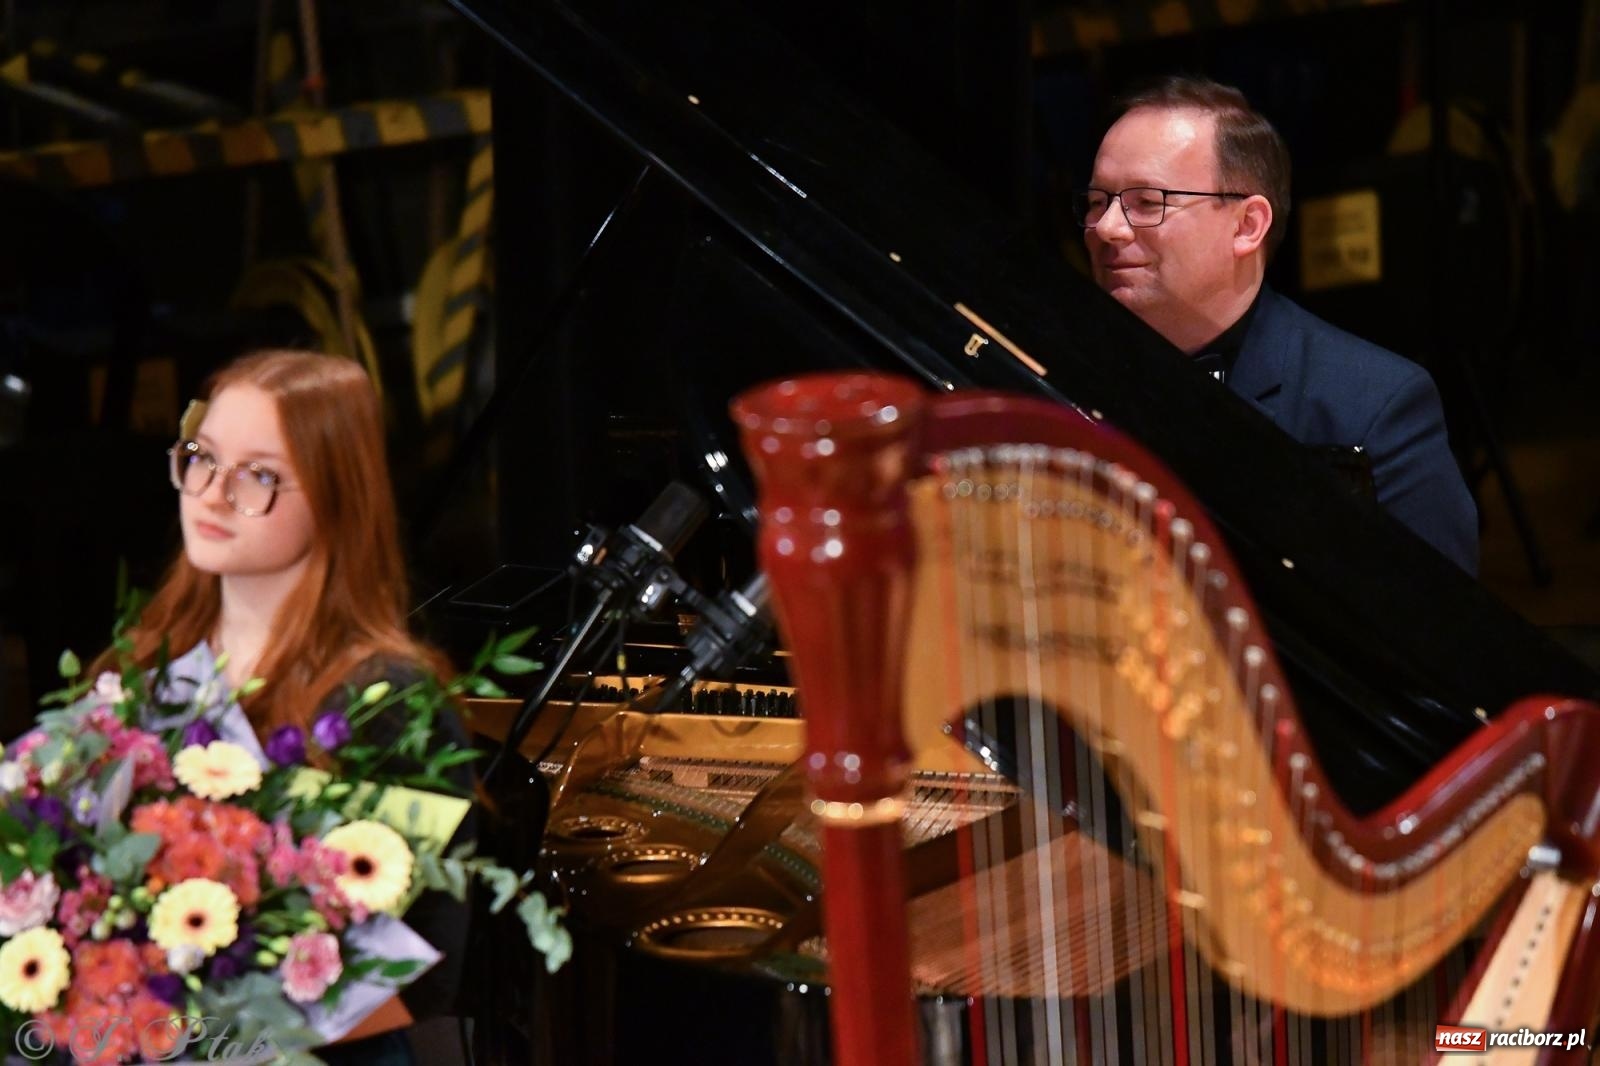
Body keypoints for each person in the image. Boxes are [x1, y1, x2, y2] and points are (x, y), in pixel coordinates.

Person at [100, 349, 470, 1065]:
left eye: (260, 476)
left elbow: (422, 975)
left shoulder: (386, 701)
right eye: (203, 458)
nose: (212, 495)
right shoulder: (147, 664)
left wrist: (206, 1040)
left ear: (336, 499)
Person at [1077, 75, 1479, 575]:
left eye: (1146, 202)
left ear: (1247, 226)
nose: (1107, 229)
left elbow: (1435, 616)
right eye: (1097, 202)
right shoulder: (1061, 369)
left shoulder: (1375, 406)